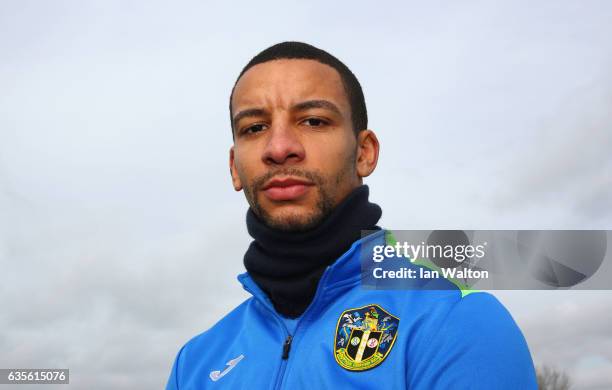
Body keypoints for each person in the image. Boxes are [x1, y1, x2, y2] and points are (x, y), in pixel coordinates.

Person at [166, 41, 537, 389]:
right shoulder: (195, 364)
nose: (279, 148)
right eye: (255, 127)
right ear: (234, 167)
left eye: (313, 121)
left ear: (364, 153)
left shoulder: (454, 323)